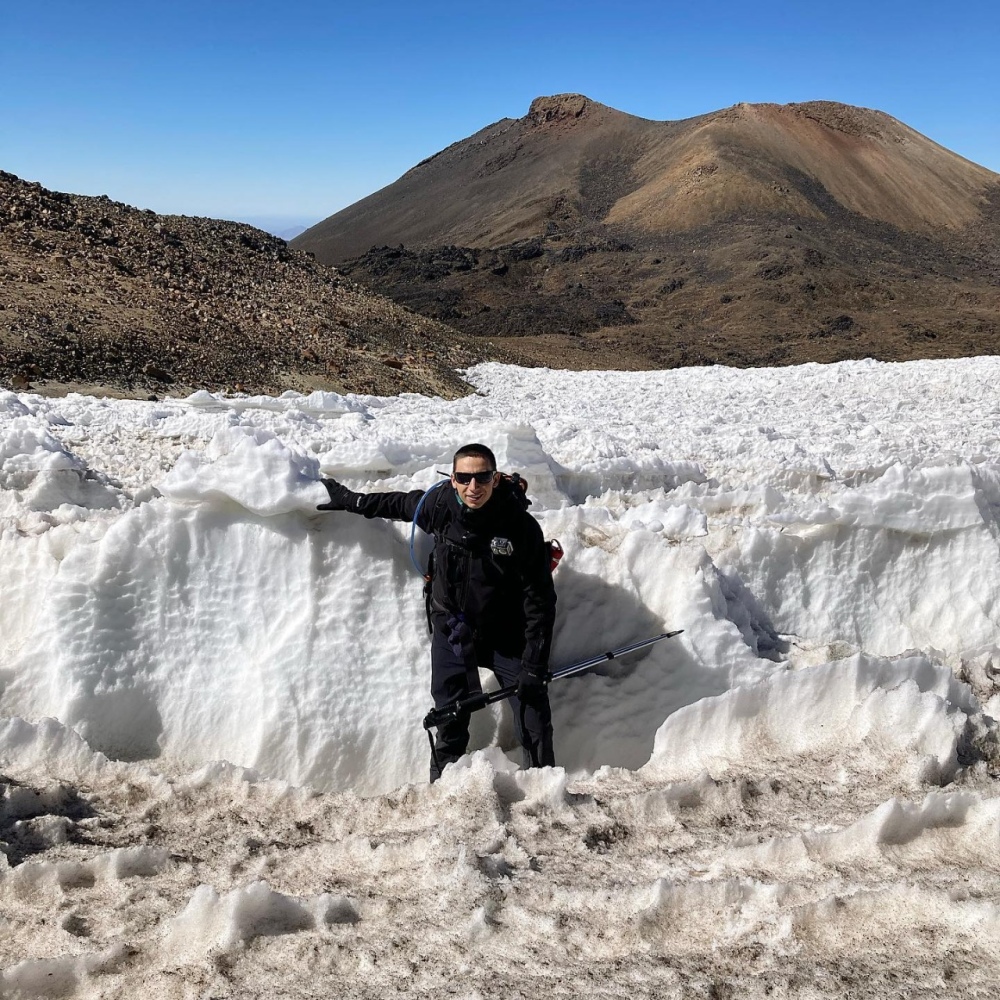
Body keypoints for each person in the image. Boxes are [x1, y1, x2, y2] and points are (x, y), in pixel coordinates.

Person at [317, 443, 557, 781]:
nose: (474, 487)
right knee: (449, 718)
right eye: (465, 477)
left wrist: (534, 665)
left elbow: (540, 600)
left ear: (495, 478)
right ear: (453, 479)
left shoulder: (520, 526)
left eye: (482, 477)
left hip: (506, 633)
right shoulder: (439, 504)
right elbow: (398, 504)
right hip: (453, 629)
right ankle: (442, 792)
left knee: (533, 714)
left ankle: (545, 790)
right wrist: (351, 501)